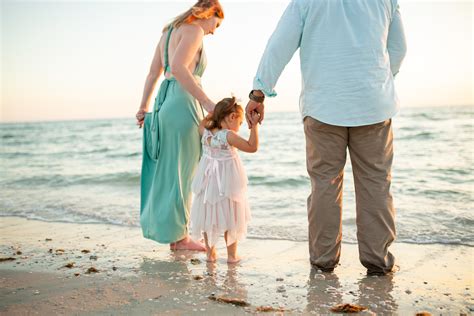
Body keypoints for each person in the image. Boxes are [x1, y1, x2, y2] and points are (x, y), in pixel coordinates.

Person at [246, 0, 407, 275]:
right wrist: (379, 80)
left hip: (322, 106)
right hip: (373, 105)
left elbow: (279, 44)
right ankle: (378, 261)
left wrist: (259, 92)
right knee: (376, 184)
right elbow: (398, 49)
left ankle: (323, 260)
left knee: (325, 184)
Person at [135, 0, 224, 251]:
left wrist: (143, 107)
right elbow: (178, 68)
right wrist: (207, 102)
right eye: (215, 24)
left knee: (171, 171)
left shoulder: (167, 32)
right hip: (183, 102)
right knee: (184, 172)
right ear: (209, 13)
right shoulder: (194, 30)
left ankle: (177, 235)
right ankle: (181, 238)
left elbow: (154, 73)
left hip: (164, 102)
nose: (213, 31)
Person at [190, 97, 259, 263]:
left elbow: (202, 122)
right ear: (232, 117)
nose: (240, 126)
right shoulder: (228, 136)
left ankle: (210, 253)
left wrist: (212, 115)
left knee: (208, 215)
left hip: (208, 182)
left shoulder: (206, 130)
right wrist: (254, 126)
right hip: (227, 182)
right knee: (231, 216)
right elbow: (252, 147)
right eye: (241, 122)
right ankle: (231, 256)